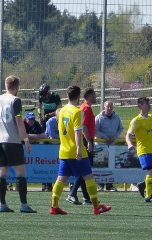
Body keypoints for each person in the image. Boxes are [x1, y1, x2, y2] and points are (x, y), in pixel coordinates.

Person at [49, 85, 111, 215]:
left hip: (64, 150)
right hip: (75, 150)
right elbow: (78, 132)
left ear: (67, 96)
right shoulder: (77, 112)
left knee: (61, 179)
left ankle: (54, 206)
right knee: (89, 177)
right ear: (78, 97)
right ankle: (96, 206)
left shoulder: (61, 111)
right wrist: (78, 148)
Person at [0, 75, 37, 213]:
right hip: (12, 140)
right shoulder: (15, 100)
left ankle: (2, 204)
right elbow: (19, 122)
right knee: (20, 172)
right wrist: (26, 140)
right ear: (17, 87)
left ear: (6, 86)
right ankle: (24, 204)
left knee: (2, 172)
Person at [66, 87, 96, 205]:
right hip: (85, 140)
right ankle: (72, 193)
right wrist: (89, 141)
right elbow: (83, 126)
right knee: (85, 169)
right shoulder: (86, 108)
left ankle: (86, 197)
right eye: (94, 95)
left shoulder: (84, 107)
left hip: (85, 139)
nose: (95, 97)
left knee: (85, 170)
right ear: (89, 96)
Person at [95, 100, 124, 192]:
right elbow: (95, 130)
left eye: (111, 107)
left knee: (111, 165)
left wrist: (115, 136)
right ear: (104, 107)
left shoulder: (116, 117)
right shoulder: (99, 118)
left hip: (112, 144)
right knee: (101, 165)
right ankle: (100, 185)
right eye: (107, 106)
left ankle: (109, 185)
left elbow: (121, 128)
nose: (109, 108)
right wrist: (105, 137)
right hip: (101, 144)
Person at [24, 111, 49, 191]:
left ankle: (44, 185)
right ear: (26, 118)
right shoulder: (22, 123)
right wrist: (32, 136)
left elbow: (43, 135)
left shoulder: (36, 123)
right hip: (23, 147)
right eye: (30, 119)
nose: (32, 121)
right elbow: (20, 134)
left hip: (34, 147)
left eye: (33, 119)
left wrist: (36, 137)